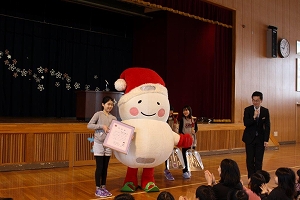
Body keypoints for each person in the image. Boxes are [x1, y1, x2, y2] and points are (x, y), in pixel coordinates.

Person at [87, 96, 117, 197]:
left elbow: (116, 131)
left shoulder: (113, 118)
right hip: (99, 143)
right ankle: (97, 188)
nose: (110, 106)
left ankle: (103, 187)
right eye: (108, 104)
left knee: (105, 167)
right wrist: (101, 126)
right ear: (103, 104)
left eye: (112, 105)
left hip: (108, 144)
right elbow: (89, 125)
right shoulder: (98, 114)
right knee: (99, 166)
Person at [242, 91, 270, 179]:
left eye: (257, 100)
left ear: (261, 100)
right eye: (253, 100)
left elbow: (267, 126)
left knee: (259, 160)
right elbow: (246, 123)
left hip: (260, 139)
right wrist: (254, 117)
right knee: (250, 160)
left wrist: (266, 140)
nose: (255, 102)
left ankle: (257, 179)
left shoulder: (265, 111)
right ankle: (250, 178)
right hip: (249, 139)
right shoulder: (248, 110)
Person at [179, 105, 198, 179]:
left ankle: (189, 170)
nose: (185, 112)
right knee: (184, 156)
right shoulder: (182, 120)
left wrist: (194, 130)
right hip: (186, 141)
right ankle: (185, 171)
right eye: (184, 110)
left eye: (187, 110)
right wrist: (185, 137)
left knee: (190, 156)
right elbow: (180, 130)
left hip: (192, 140)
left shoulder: (193, 119)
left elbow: (196, 129)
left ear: (190, 111)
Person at [164, 105, 179, 181]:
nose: (171, 112)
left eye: (171, 110)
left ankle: (168, 169)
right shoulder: (164, 119)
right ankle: (167, 170)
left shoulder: (174, 119)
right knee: (166, 155)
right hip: (165, 138)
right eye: (169, 110)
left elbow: (175, 129)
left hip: (171, 138)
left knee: (170, 154)